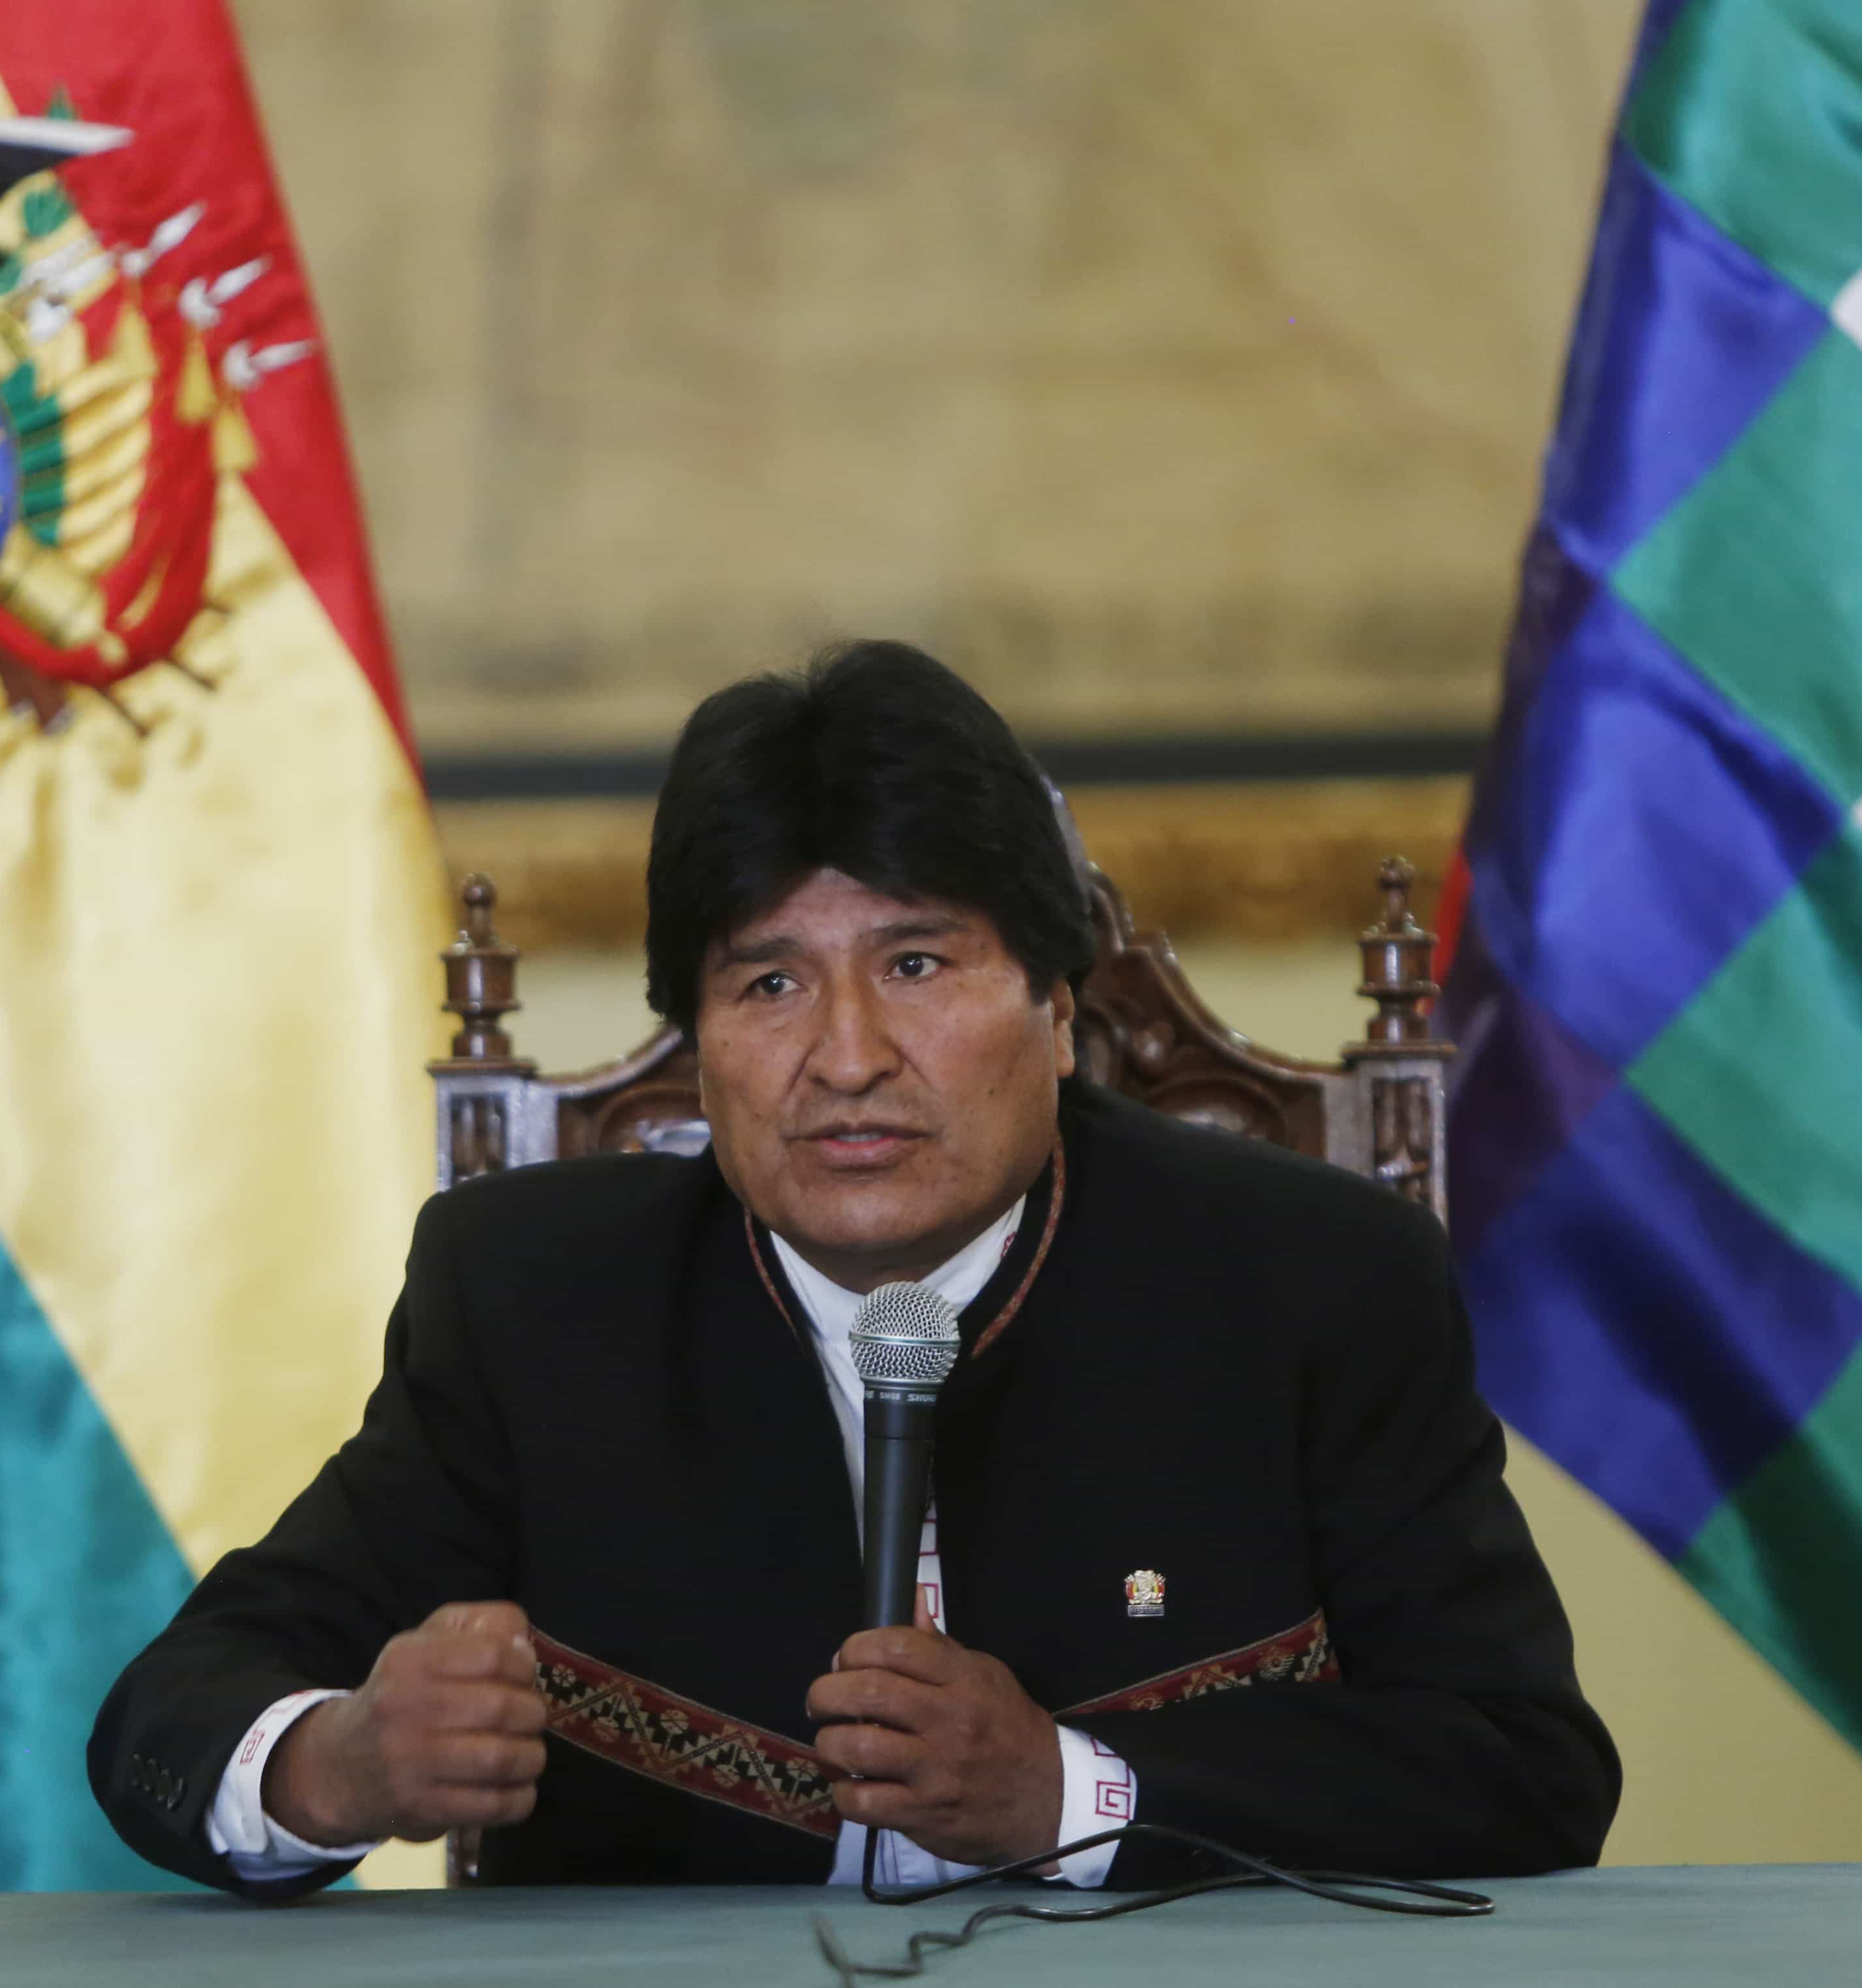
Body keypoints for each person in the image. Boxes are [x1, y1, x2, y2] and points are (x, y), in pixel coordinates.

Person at [88, 642, 1619, 1895]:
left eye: (917, 963)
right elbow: (167, 1713)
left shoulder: (1312, 1277)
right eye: (769, 981)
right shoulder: (534, 1298)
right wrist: (328, 1764)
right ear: (697, 1050)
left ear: (1059, 1004)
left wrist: (1067, 1792)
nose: (848, 1058)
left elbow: (1523, 1761)